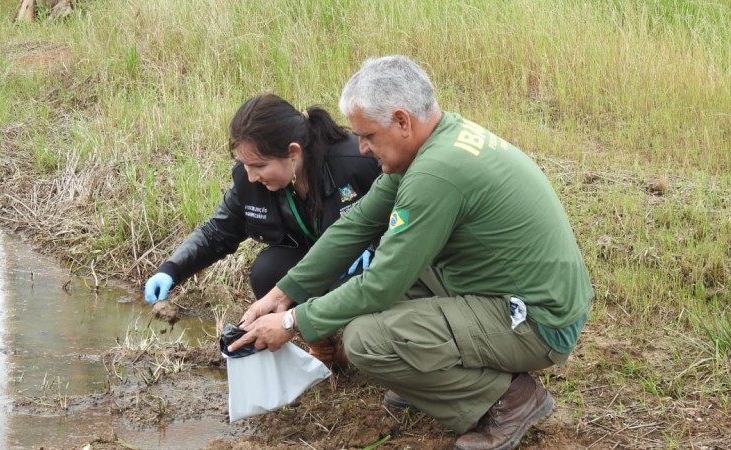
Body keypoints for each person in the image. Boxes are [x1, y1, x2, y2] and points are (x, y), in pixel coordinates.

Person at [228, 56, 593, 450]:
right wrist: (282, 294)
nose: (362, 148)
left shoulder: (435, 174)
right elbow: (357, 226)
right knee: (370, 297)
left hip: (539, 320)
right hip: (502, 284)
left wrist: (290, 323)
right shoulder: (436, 141)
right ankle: (422, 378)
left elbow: (381, 284)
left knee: (366, 341)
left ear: (402, 121)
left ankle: (511, 398)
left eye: (367, 135)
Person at [144, 93, 381, 362]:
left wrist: (375, 246)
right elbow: (217, 232)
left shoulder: (357, 162)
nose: (250, 176)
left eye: (259, 165)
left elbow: (405, 214)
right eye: (244, 164)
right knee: (268, 271)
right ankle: (323, 346)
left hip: (367, 267)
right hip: (313, 264)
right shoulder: (252, 181)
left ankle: (370, 345)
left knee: (362, 311)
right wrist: (171, 269)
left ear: (293, 153)